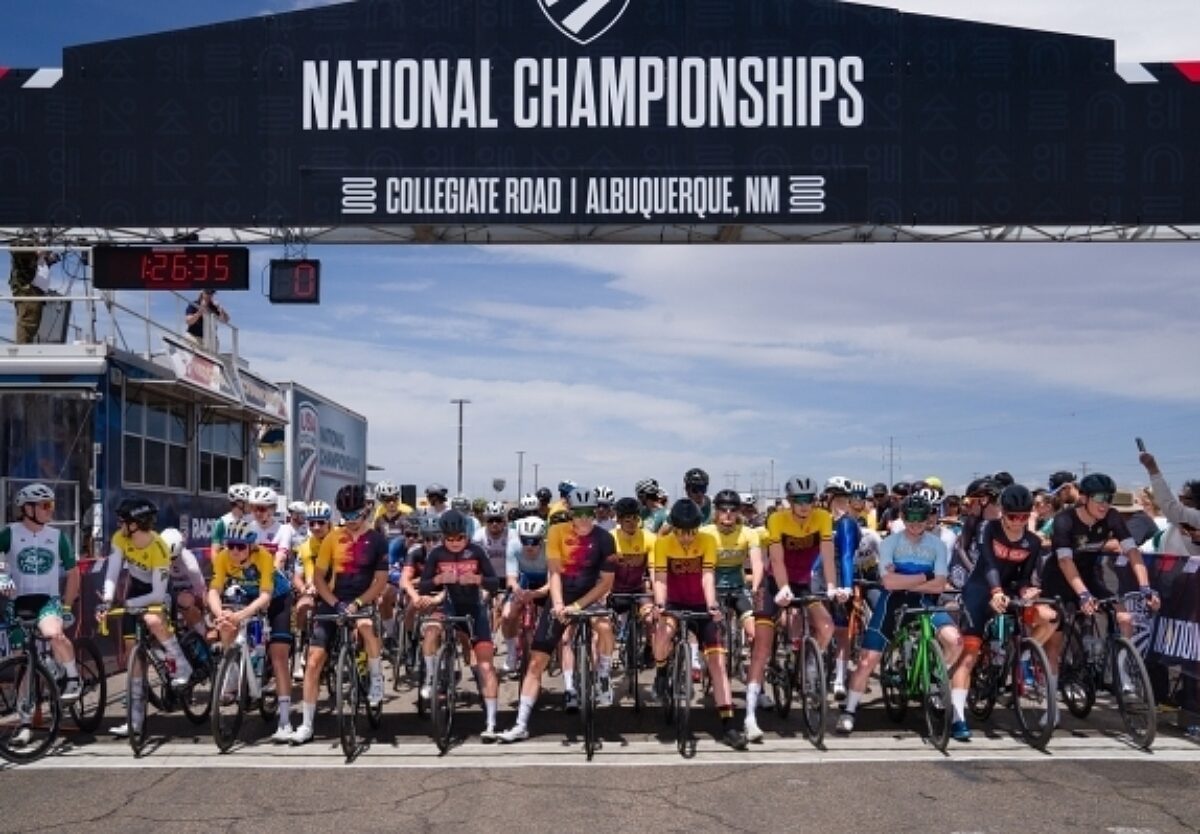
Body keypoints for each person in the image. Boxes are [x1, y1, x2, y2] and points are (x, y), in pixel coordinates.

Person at [498, 488, 617, 743]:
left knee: (605, 628)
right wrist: (560, 604)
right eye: (579, 514)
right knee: (537, 661)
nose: (585, 520)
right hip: (561, 596)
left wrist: (579, 606)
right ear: (570, 513)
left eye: (590, 514)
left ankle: (604, 675)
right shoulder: (555, 532)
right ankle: (520, 724)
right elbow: (554, 573)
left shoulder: (606, 538)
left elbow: (606, 583)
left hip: (591, 596)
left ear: (596, 512)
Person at [837, 492, 961, 735]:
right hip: (892, 604)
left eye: (921, 518)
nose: (916, 523)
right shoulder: (890, 544)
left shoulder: (937, 545)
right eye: (911, 518)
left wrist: (908, 581)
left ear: (929, 519)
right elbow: (889, 583)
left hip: (925, 602)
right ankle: (850, 710)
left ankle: (936, 682)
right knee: (867, 660)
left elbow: (939, 585)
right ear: (903, 517)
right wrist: (924, 577)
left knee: (955, 642)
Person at [744, 476, 841, 741]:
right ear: (790, 502)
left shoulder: (822, 517)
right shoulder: (777, 519)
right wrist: (783, 587)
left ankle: (810, 666)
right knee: (762, 646)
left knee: (826, 626)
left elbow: (828, 556)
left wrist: (832, 586)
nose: (804, 505)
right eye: (798, 500)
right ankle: (750, 715)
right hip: (774, 581)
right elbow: (776, 558)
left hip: (803, 582)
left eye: (809, 499)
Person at [947, 485, 1047, 742]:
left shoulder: (1033, 542)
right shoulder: (988, 528)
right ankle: (957, 717)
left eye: (1024, 517)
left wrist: (1027, 590)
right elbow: (989, 563)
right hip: (981, 588)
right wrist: (995, 591)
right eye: (1013, 516)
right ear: (1002, 513)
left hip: (1008, 590)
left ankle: (1021, 657)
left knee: (1048, 617)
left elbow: (1026, 576)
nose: (1018, 522)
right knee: (969, 654)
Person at [292, 485, 389, 745]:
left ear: (366, 510)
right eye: (345, 515)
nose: (350, 520)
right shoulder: (333, 538)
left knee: (367, 625)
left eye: (355, 514)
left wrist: (358, 603)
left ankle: (376, 678)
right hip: (334, 600)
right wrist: (334, 603)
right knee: (313, 661)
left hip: (364, 598)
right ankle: (307, 724)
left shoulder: (377, 540)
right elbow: (319, 578)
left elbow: (380, 581)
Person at [1039, 472, 1161, 676]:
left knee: (1124, 618)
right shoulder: (1064, 520)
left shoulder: (1112, 516)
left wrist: (1146, 588)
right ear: (1084, 498)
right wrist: (1084, 595)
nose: (1105, 504)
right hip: (1059, 578)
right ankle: (1050, 703)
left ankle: (1122, 677)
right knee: (1054, 646)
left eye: (1109, 498)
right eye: (1099, 499)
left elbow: (1132, 552)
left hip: (1087, 575)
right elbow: (1065, 561)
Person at [649, 499, 748, 749]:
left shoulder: (707, 541)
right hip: (673, 602)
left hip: (700, 605)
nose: (686, 537)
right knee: (662, 634)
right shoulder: (662, 543)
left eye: (691, 532)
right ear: (673, 528)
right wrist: (660, 605)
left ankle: (728, 724)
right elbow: (659, 578)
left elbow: (707, 576)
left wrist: (712, 605)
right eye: (681, 532)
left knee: (717, 661)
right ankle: (661, 670)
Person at [100, 498, 192, 737]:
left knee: (153, 621)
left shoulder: (159, 547)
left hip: (157, 593)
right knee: (134, 657)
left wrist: (129, 603)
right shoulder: (121, 538)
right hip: (135, 591)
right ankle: (135, 721)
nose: (120, 526)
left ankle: (181, 666)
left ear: (137, 524)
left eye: (124, 521)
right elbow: (112, 572)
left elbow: (158, 594)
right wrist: (107, 600)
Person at [0, 482, 83, 745]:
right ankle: (24, 723)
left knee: (54, 634)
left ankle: (72, 678)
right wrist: (1, 575)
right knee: (23, 662)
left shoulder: (57, 537)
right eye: (46, 505)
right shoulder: (9, 533)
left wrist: (67, 607)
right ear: (27, 508)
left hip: (48, 600)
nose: (51, 510)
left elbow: (73, 573)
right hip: (19, 602)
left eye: (52, 505)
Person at [207, 518, 296, 742]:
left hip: (277, 598)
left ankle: (284, 720)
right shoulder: (223, 557)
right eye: (230, 545)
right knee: (227, 626)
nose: (234, 551)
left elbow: (266, 596)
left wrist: (239, 615)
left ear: (251, 546)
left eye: (240, 547)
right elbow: (214, 591)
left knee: (278, 655)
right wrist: (221, 615)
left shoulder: (263, 557)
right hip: (247, 595)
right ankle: (233, 671)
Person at [418, 509, 502, 740]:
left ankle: (492, 722)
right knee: (431, 630)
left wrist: (477, 579)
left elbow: (495, 583)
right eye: (450, 539)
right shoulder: (436, 554)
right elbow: (423, 586)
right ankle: (431, 678)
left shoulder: (476, 551)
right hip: (450, 607)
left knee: (485, 666)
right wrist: (437, 579)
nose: (455, 543)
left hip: (475, 611)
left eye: (459, 538)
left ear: (466, 535)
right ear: (443, 537)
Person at [500, 515, 551, 679]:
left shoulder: (550, 549)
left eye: (534, 541)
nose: (529, 546)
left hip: (545, 583)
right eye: (525, 541)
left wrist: (536, 594)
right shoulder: (514, 546)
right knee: (507, 615)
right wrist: (519, 592)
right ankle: (512, 653)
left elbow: (552, 583)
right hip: (525, 581)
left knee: (553, 617)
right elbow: (511, 579)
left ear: (542, 539)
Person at [159, 527, 207, 639]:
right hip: (166, 590)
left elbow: (201, 591)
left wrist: (204, 612)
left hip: (187, 590)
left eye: (173, 558)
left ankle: (202, 634)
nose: (169, 561)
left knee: (185, 602)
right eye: (165, 557)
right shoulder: (155, 555)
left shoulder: (190, 564)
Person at [8, 247, 57, 344]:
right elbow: (20, 255)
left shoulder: (39, 253)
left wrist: (48, 258)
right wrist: (37, 253)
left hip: (37, 293)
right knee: (27, 324)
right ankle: (23, 352)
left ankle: (26, 349)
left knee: (33, 325)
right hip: (28, 291)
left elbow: (39, 263)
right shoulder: (24, 245)